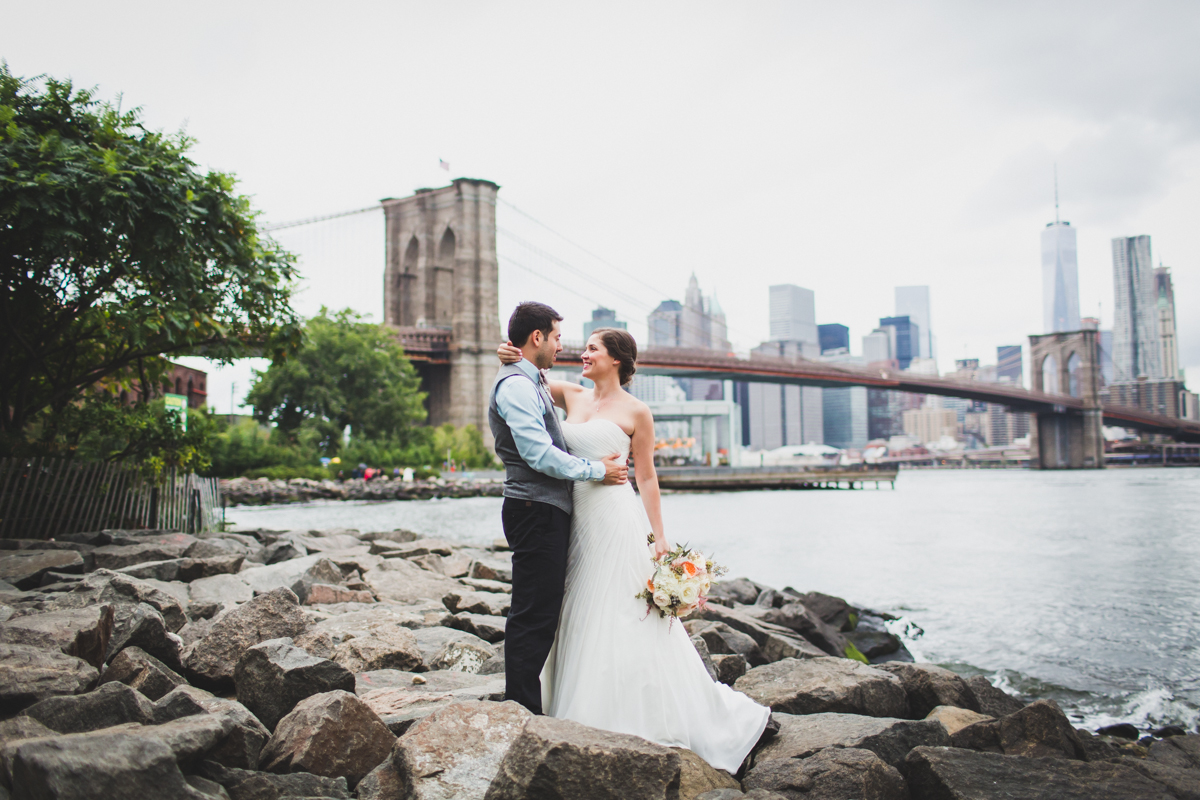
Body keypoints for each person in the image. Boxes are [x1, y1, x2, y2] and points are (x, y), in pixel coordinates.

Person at [496, 326, 769, 773]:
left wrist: (660, 536)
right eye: (581, 347)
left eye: (591, 349)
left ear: (616, 359)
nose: (581, 354)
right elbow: (527, 375)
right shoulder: (571, 393)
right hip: (572, 516)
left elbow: (646, 477)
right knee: (576, 606)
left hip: (614, 518)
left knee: (619, 608)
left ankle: (626, 712)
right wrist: (508, 354)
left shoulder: (637, 412)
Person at [488, 302, 630, 716]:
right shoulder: (516, 386)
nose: (560, 346)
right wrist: (595, 471)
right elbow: (538, 455)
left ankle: (528, 704)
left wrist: (508, 355)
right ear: (537, 338)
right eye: (555, 337)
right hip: (534, 508)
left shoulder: (530, 379)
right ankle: (521, 710)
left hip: (543, 509)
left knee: (542, 611)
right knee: (534, 614)